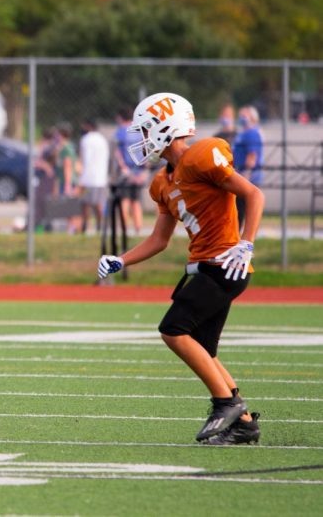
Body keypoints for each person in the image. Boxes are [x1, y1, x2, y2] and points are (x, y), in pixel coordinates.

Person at [98, 92, 265, 445]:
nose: (142, 140)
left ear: (165, 127)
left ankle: (226, 404)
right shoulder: (162, 182)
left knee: (174, 329)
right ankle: (245, 424)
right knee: (205, 346)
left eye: (146, 130)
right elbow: (159, 240)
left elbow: (253, 194)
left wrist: (246, 243)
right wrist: (121, 259)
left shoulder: (203, 156)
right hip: (203, 267)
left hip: (225, 265)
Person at [112, 108, 147, 235]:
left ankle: (124, 228)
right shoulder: (139, 131)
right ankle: (138, 228)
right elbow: (146, 150)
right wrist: (144, 170)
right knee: (136, 201)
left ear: (120, 117)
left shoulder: (120, 132)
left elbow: (117, 152)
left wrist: (123, 167)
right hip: (139, 170)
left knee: (125, 200)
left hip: (126, 170)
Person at [232, 105, 264, 230]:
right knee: (238, 210)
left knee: (240, 210)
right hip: (241, 174)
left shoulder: (252, 133)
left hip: (246, 177)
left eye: (244, 115)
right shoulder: (244, 133)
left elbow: (252, 157)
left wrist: (244, 177)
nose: (241, 118)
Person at [78, 119, 110, 235]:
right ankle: (100, 226)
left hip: (87, 178)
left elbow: (83, 159)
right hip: (101, 177)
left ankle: (84, 226)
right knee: (98, 204)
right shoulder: (102, 139)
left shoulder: (86, 139)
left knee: (85, 204)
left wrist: (80, 177)